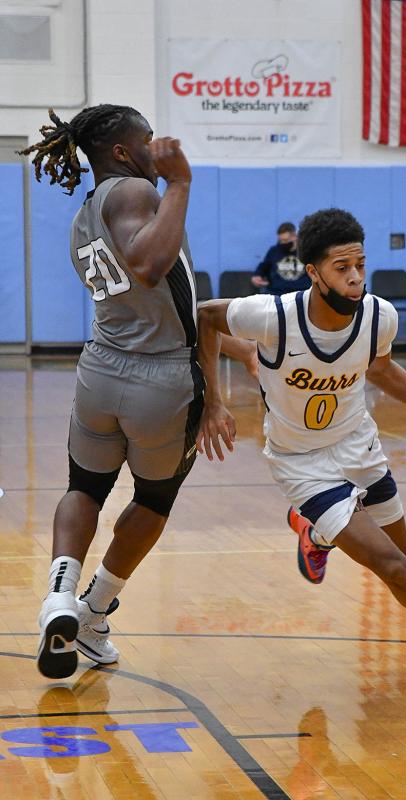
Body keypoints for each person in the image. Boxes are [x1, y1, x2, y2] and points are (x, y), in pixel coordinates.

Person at [196, 207, 406, 685]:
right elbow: (206, 316)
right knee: (393, 567)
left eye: (360, 265)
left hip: (359, 447)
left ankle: (316, 534)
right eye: (342, 268)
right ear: (313, 272)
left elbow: (381, 369)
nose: (355, 278)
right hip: (301, 464)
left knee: (401, 561)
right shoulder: (273, 315)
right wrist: (212, 401)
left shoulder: (377, 316)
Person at [20, 104, 211, 679]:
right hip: (161, 377)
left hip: (102, 368)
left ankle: (61, 595)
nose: (158, 148)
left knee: (85, 486)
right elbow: (150, 265)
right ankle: (94, 610)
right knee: (153, 500)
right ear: (124, 152)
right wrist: (179, 181)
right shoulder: (133, 191)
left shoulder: (86, 214)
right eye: (148, 140)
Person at [251, 221, 311, 295]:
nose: (283, 243)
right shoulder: (274, 251)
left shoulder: (305, 251)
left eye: (285, 240)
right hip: (277, 293)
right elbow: (264, 266)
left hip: (301, 293)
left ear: (295, 236)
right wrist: (257, 276)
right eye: (281, 240)